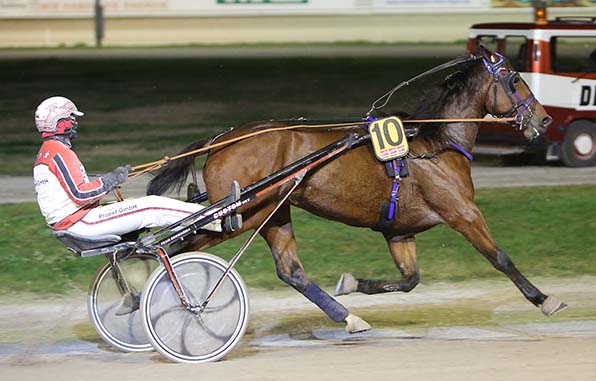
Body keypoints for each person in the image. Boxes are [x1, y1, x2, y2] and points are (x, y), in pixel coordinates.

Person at [33, 96, 222, 238]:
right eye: (71, 117)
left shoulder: (47, 152)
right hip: (80, 222)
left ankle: (194, 223)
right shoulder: (59, 153)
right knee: (152, 205)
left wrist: (109, 180)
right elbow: (80, 195)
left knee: (145, 206)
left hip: (73, 222)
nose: (75, 122)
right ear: (59, 122)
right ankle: (212, 218)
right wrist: (109, 180)